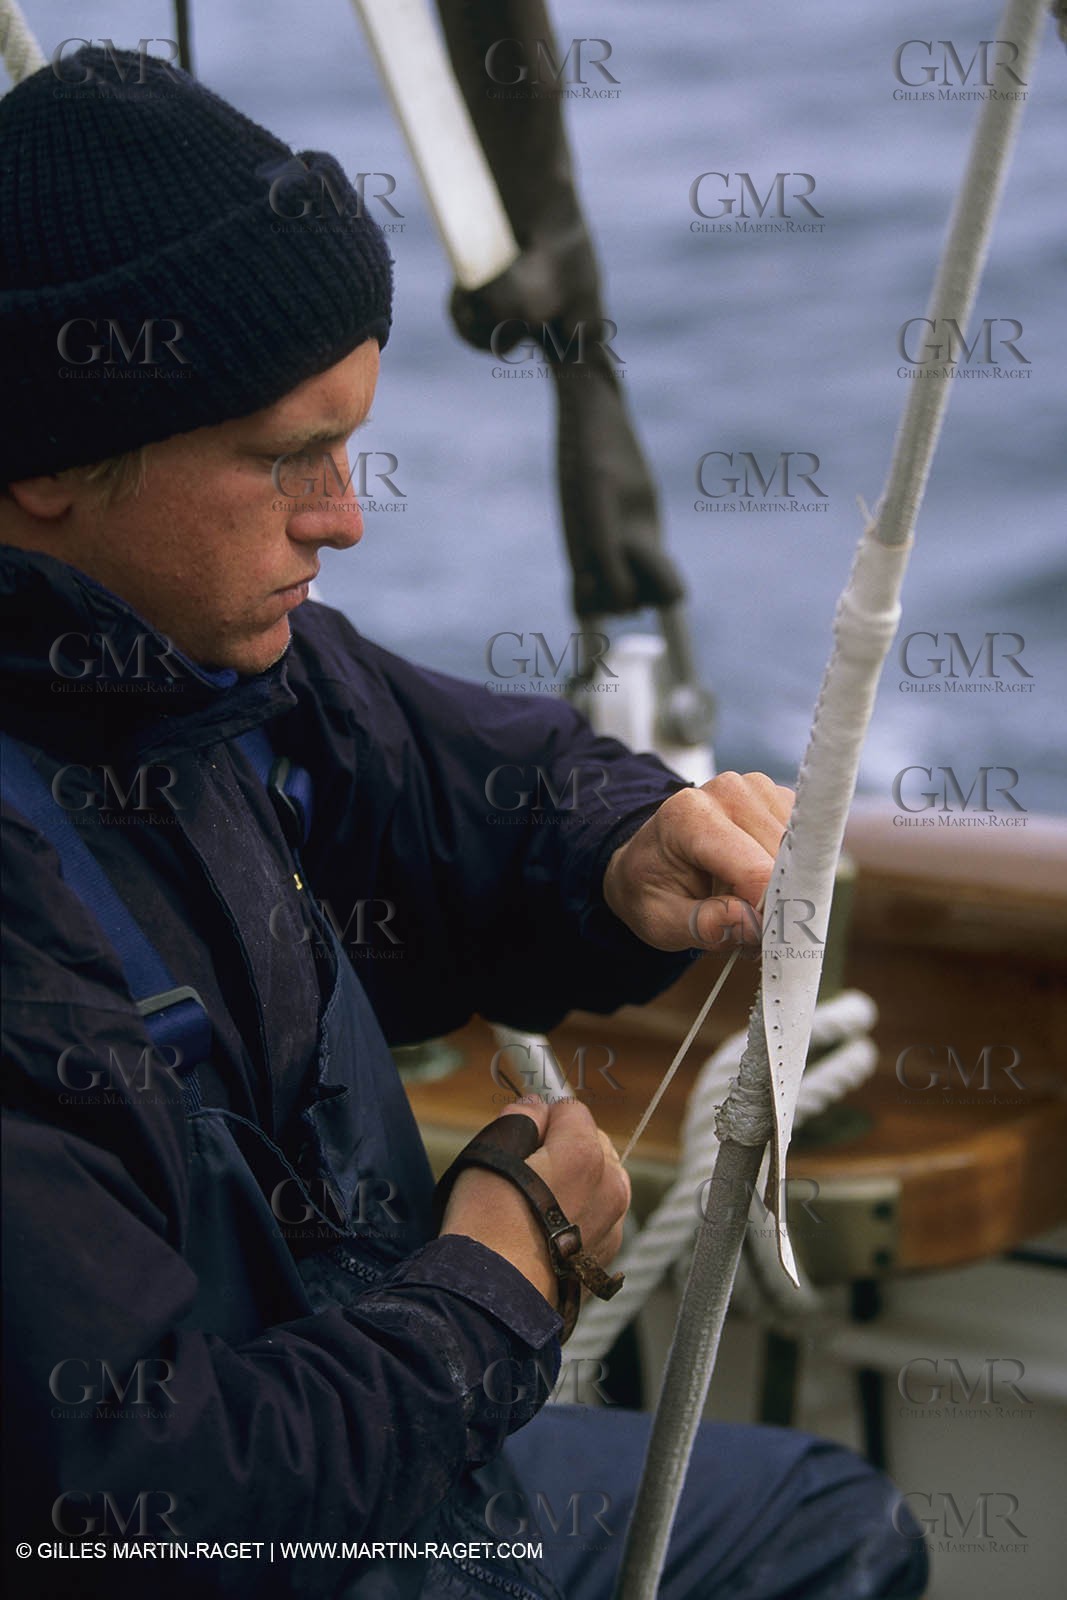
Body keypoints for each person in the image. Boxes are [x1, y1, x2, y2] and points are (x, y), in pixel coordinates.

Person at [0, 45, 927, 1600]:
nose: (346, 514)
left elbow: (461, 792)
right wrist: (494, 1277)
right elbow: (124, 1509)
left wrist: (627, 853)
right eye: (287, 454)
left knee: (825, 1531)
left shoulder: (188, 658)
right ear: (46, 464)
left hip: (356, 1461)